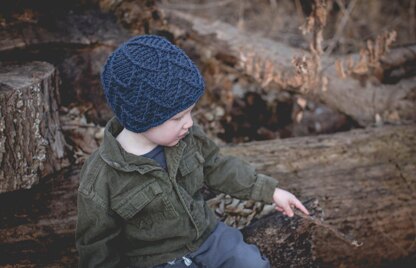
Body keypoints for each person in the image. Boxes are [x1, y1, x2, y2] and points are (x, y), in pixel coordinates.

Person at [75, 35, 309, 268]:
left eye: (190, 112)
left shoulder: (187, 137)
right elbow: (96, 243)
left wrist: (270, 191)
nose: (188, 123)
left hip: (207, 236)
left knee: (249, 262)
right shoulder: (103, 176)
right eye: (178, 117)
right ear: (141, 119)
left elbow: (218, 166)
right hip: (156, 259)